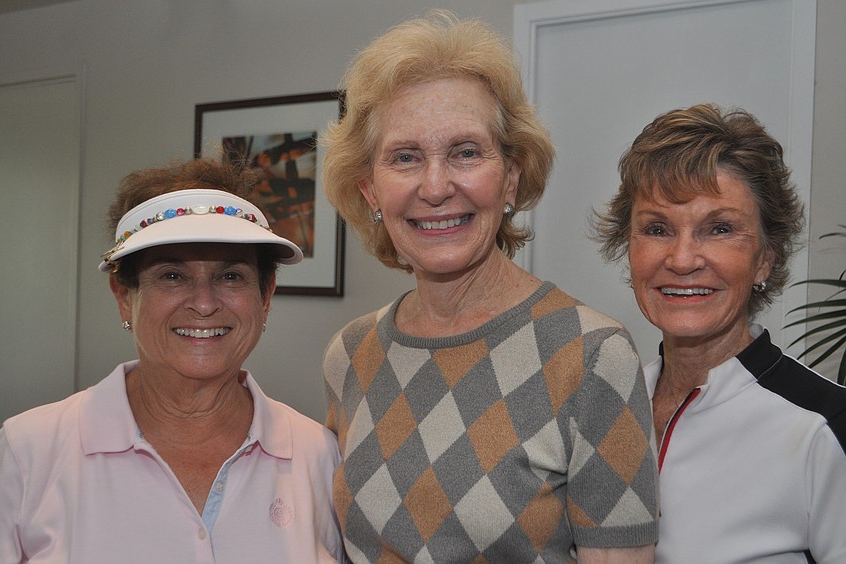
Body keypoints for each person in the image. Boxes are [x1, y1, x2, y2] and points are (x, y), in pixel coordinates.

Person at [320, 11, 658, 563]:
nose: (435, 186)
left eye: (466, 152)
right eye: (405, 158)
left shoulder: (592, 356)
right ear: (370, 191)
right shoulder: (350, 355)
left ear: (512, 178)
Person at [0, 159, 344, 562]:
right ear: (124, 297)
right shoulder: (28, 454)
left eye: (231, 276)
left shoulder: (319, 457)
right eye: (171, 276)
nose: (203, 303)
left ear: (265, 297)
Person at [593, 103, 846, 562]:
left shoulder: (824, 424)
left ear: (765, 258)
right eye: (657, 229)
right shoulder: (602, 407)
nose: (683, 259)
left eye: (720, 228)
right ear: (627, 250)